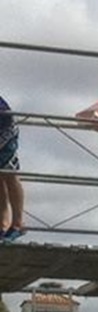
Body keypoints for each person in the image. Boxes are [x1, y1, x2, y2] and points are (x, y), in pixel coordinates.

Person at [0, 94, 25, 242]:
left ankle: (18, 224)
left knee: (10, 173)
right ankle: (2, 223)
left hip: (5, 127)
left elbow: (6, 114)